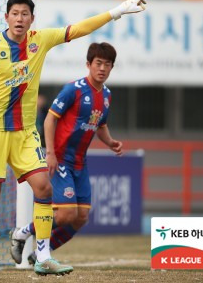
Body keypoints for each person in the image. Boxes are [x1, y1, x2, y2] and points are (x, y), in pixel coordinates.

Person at [0, 0, 147, 278]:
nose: (20, 18)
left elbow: (78, 29)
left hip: (26, 134)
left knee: (44, 189)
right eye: (15, 13)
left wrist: (117, 11)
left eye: (25, 14)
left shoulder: (40, 40)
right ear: (6, 17)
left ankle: (43, 256)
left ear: (32, 19)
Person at [10, 42, 123, 266]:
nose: (102, 68)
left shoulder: (107, 96)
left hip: (80, 163)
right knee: (65, 215)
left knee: (80, 219)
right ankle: (21, 233)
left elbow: (100, 125)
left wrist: (110, 142)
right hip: (60, 158)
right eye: (98, 63)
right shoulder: (74, 89)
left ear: (111, 68)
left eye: (107, 65)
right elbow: (50, 118)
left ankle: (40, 253)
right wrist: (50, 152)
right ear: (88, 64)